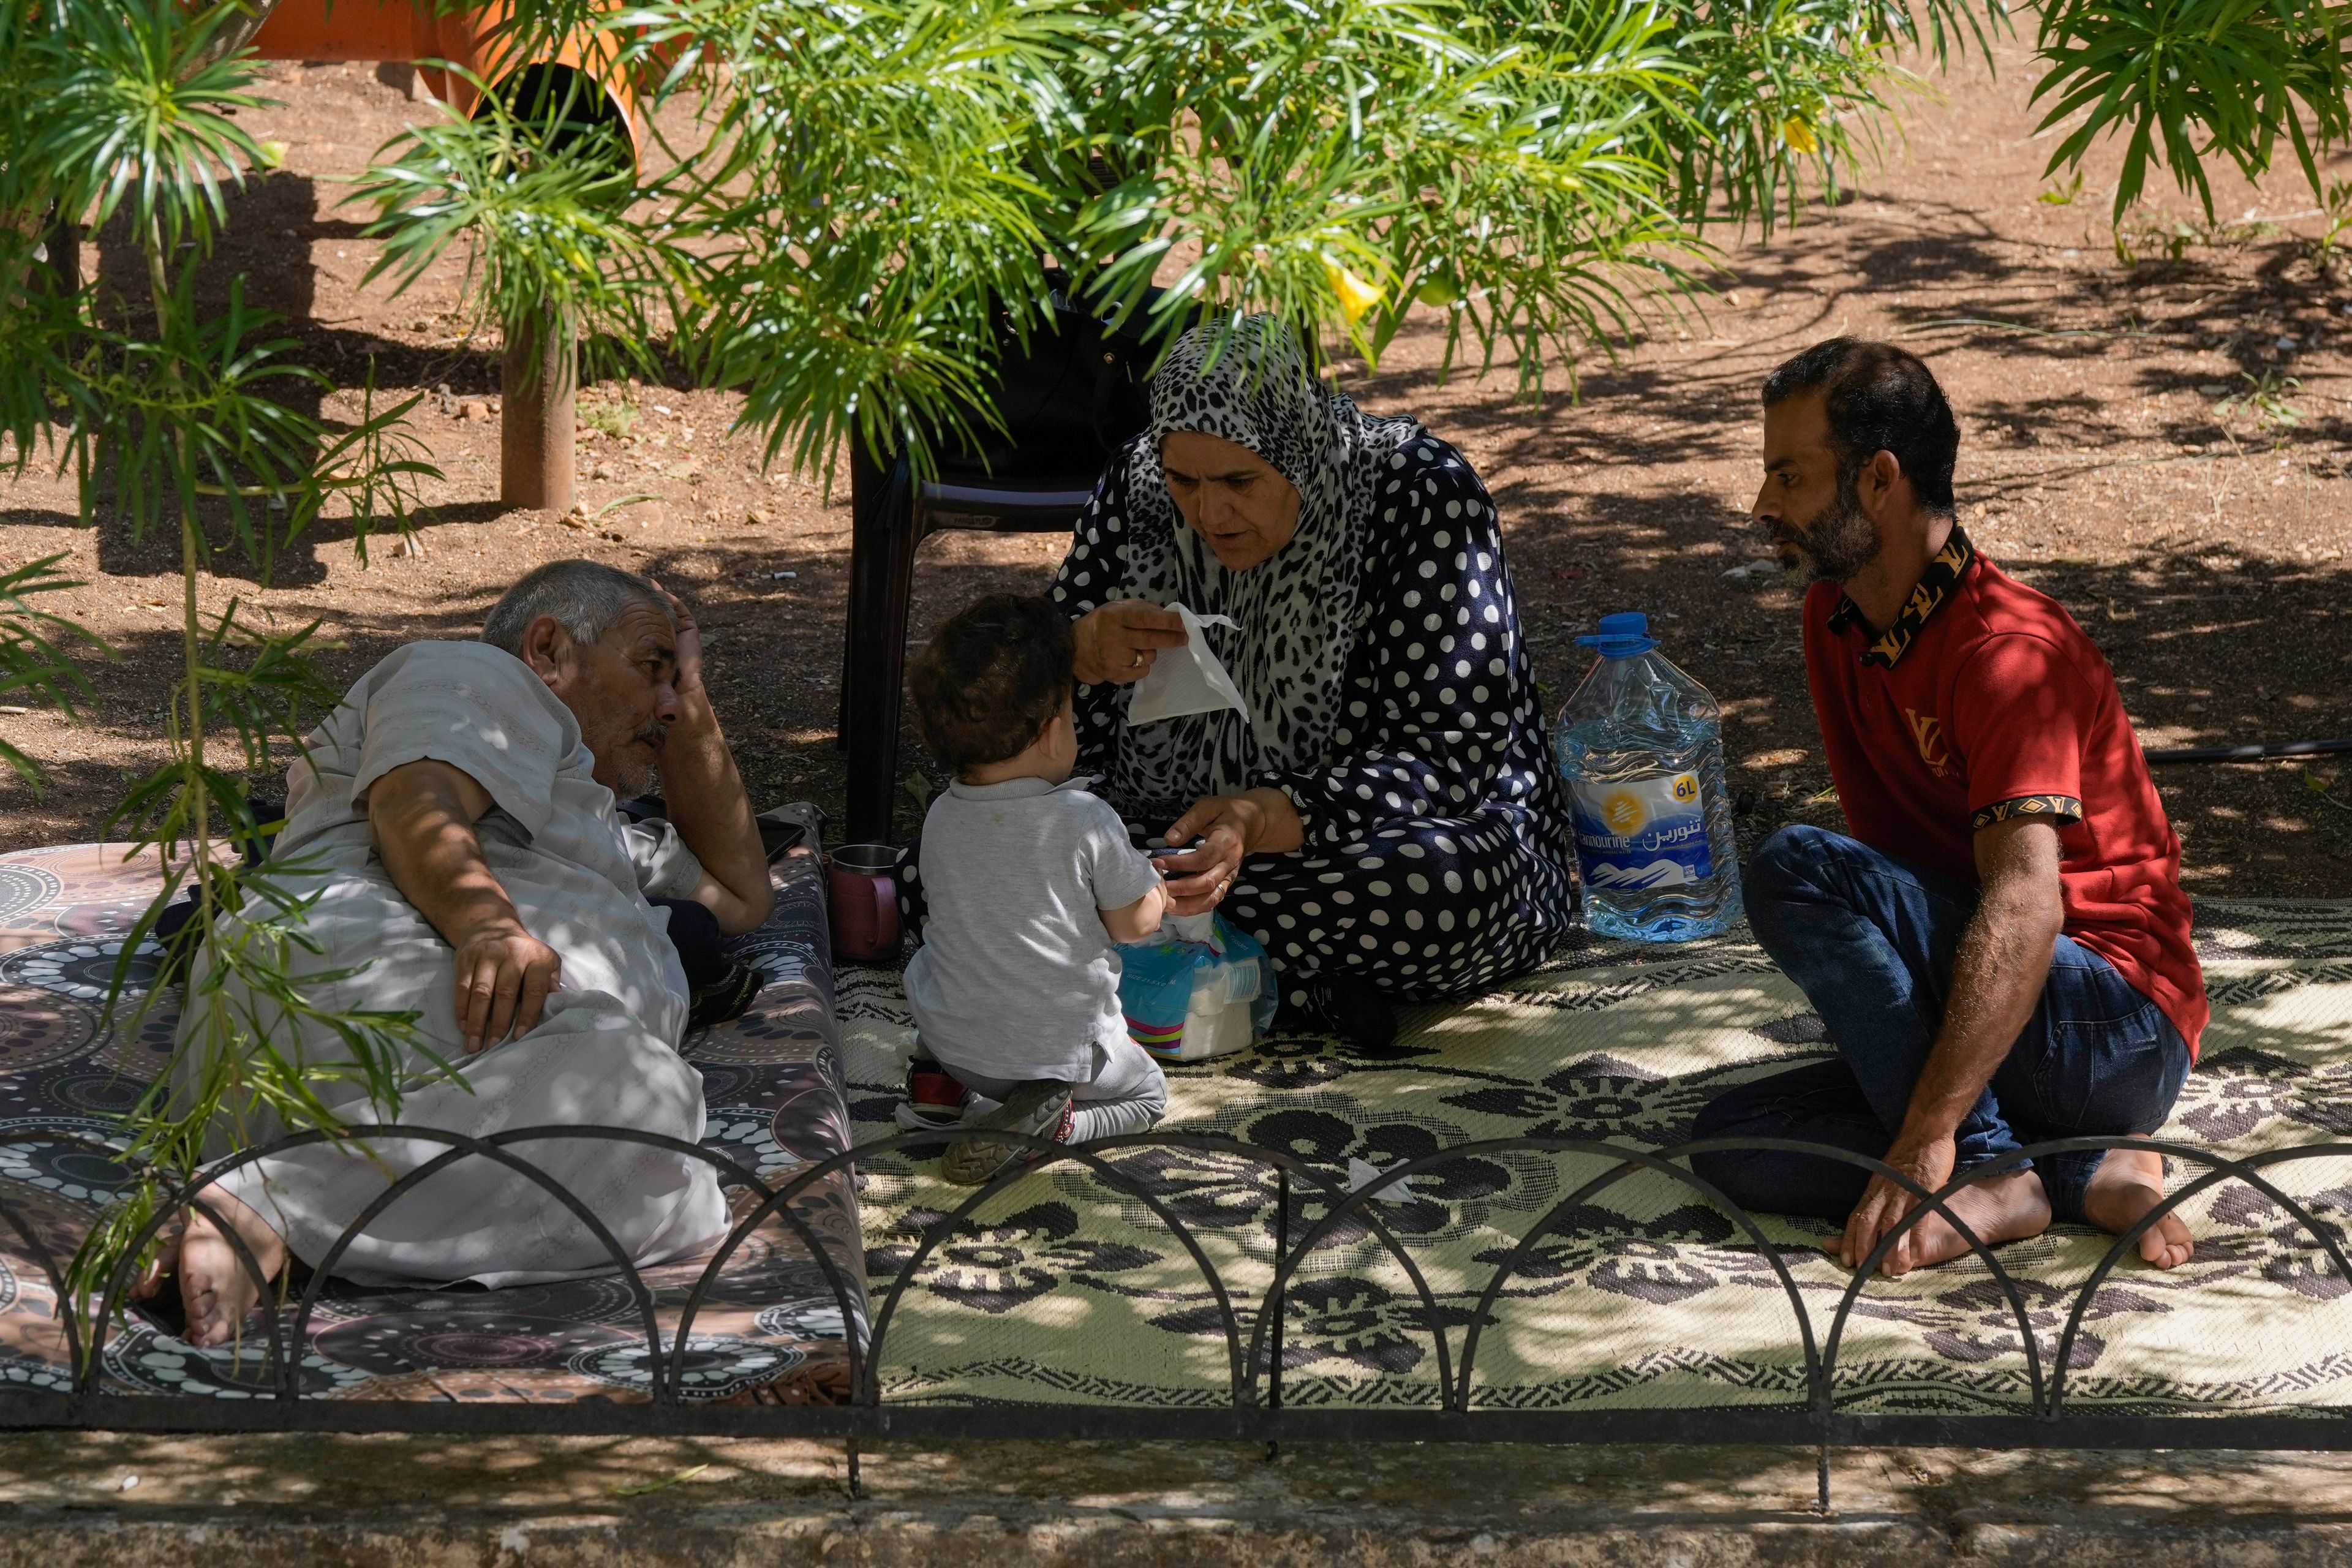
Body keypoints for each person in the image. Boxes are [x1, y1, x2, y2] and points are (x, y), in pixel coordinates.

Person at [899, 314, 1577, 1047]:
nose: (1208, 512)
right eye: (1184, 480)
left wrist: (1260, 817)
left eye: (1239, 481)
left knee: (1447, 890)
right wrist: (1077, 651)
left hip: (1364, 842)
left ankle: (1115, 967)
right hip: (1169, 844)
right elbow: (1041, 732)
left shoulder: (1421, 496)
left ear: (1297, 451)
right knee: (944, 866)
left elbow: (1451, 757)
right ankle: (1281, 981)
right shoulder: (1136, 485)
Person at [149, 559, 776, 1344]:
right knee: (651, 1109)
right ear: (548, 649)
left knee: (661, 1164)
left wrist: (688, 689)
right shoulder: (478, 674)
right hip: (369, 996)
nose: (666, 707)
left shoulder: (595, 820)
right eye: (651, 666)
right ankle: (282, 1204)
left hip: (449, 1066)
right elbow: (416, 794)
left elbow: (743, 892)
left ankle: (280, 1198)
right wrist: (486, 926)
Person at [1690, 339, 2206, 1276]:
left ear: (1879, 480)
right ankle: (2075, 1170)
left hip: (2115, 1023)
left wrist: (1933, 1130)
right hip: (2006, 1010)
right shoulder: (1835, 616)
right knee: (1734, 1140)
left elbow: (2026, 905)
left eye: (1789, 475)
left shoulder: (2008, 653)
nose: (1764, 505)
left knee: (1798, 866)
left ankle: (1986, 1166)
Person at [899, 594, 1170, 1185]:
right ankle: (1060, 1126)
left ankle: (936, 1086)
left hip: (954, 1040)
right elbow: (1134, 924)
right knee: (1150, 1094)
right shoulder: (1084, 818)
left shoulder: (941, 815)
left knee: (946, 961)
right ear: (1052, 735)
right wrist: (1159, 891)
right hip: (1059, 1056)